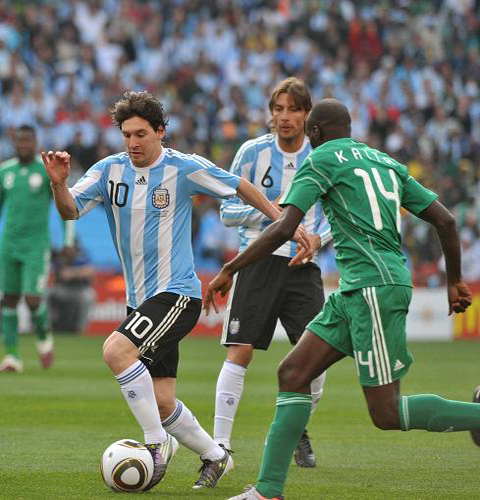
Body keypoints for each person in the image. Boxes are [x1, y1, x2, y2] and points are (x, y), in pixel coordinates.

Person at [204, 98, 476, 500]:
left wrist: (230, 268)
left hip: (373, 288)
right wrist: (454, 280)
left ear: (314, 133)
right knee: (293, 374)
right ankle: (267, 492)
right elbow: (446, 220)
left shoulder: (319, 160)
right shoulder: (385, 161)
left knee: (386, 412)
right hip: (356, 289)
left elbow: (284, 228)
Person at [42, 90, 308, 492]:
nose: (132, 143)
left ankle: (153, 446)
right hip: (141, 300)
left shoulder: (183, 168)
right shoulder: (108, 171)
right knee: (163, 402)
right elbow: (70, 210)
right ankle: (217, 457)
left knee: (116, 350)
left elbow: (239, 186)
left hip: (178, 293)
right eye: (127, 135)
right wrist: (59, 184)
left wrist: (284, 223)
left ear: (160, 133)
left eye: (141, 135)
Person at [213, 77, 331, 467]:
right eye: (278, 109)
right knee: (240, 351)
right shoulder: (251, 153)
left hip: (303, 266)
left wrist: (317, 240)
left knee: (316, 360)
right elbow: (227, 212)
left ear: (307, 115)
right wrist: (271, 209)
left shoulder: (323, 155)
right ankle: (220, 448)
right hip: (257, 260)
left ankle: (293, 431)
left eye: (293, 109)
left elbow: (333, 216)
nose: (284, 117)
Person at [0, 125, 74, 373]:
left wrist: (67, 242)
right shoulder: (5, 171)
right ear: (14, 142)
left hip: (36, 245)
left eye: (27, 141)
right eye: (19, 141)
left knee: (32, 299)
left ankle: (44, 337)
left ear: (34, 143)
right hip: (9, 244)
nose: (22, 145)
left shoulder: (44, 172)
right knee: (8, 299)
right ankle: (12, 357)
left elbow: (65, 203)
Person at [48, 239, 95, 333]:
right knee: (47, 294)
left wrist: (73, 273)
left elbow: (90, 271)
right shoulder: (59, 256)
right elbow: (57, 272)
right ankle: (47, 326)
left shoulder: (82, 255)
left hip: (80, 289)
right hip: (62, 289)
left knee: (89, 295)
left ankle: (81, 329)